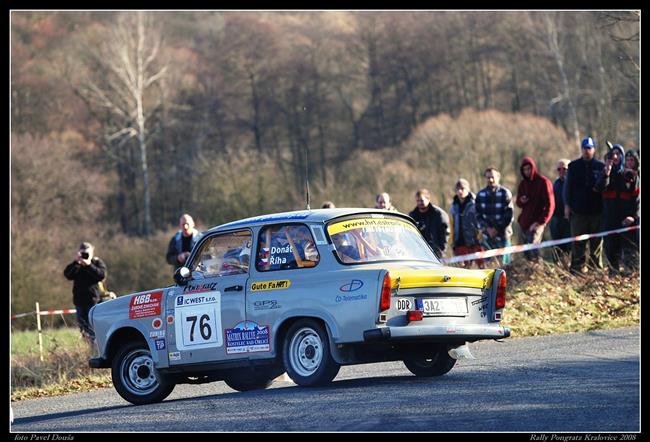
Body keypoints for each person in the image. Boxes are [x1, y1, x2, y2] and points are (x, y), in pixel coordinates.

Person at [563, 137, 605, 274]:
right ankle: (576, 271)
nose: (587, 151)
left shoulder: (600, 166)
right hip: (578, 213)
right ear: (581, 149)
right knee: (577, 245)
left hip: (596, 213)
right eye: (584, 148)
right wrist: (567, 205)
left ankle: (595, 272)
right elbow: (567, 188)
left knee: (596, 245)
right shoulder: (573, 166)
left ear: (593, 149)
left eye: (589, 148)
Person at [594, 144, 638, 274]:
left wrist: (633, 216)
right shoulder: (604, 173)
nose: (615, 156)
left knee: (629, 252)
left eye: (618, 154)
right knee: (611, 250)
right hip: (609, 219)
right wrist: (606, 173)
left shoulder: (630, 175)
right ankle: (614, 276)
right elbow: (599, 188)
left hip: (626, 221)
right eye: (613, 154)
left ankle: (632, 278)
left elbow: (637, 199)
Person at [63, 242, 107, 340]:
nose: (85, 256)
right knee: (83, 329)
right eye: (83, 253)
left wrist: (89, 265)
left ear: (92, 252)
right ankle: (88, 348)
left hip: (93, 301)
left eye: (87, 253)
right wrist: (77, 262)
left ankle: (97, 348)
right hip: (79, 302)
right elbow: (67, 275)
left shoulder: (96, 263)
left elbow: (101, 275)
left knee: (94, 327)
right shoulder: (77, 265)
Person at [515, 156, 555, 262]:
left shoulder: (543, 182)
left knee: (535, 251)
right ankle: (528, 275)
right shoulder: (523, 184)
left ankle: (538, 273)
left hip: (537, 222)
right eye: (525, 169)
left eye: (529, 168)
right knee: (526, 254)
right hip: (524, 223)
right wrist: (521, 200)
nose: (527, 171)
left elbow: (550, 205)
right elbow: (518, 203)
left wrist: (540, 222)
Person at [475, 167, 514, 265]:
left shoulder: (505, 193)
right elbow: (477, 216)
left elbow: (509, 215)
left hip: (503, 236)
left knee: (505, 267)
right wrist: (487, 228)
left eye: (492, 177)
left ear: (498, 177)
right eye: (488, 178)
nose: (490, 180)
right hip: (487, 238)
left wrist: (496, 228)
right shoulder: (480, 195)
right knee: (489, 267)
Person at [449, 179, 484, 268]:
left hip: (475, 243)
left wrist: (479, 238)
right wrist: (452, 242)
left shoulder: (476, 203)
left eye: (462, 188)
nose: (460, 191)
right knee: (463, 270)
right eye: (457, 189)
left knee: (481, 268)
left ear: (468, 189)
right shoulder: (453, 206)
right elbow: (451, 225)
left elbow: (481, 221)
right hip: (459, 243)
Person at [408, 188, 450, 258]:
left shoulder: (438, 214)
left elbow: (445, 233)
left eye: (421, 200)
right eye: (417, 201)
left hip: (436, 253)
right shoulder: (413, 216)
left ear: (428, 199)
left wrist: (441, 250)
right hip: (418, 253)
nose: (419, 203)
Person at [621, 149, 640, 270]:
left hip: (636, 218)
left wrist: (634, 216)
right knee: (626, 247)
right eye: (627, 160)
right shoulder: (622, 176)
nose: (629, 163)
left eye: (632, 160)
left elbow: (638, 200)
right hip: (623, 218)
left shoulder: (638, 177)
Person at [550, 158, 572, 256]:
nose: (562, 171)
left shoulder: (573, 183)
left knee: (570, 248)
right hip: (556, 219)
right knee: (557, 249)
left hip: (569, 220)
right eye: (559, 169)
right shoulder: (556, 183)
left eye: (564, 169)